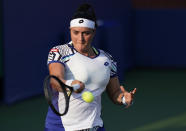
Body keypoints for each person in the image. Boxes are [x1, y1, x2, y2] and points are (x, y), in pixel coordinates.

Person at [45, 3, 136, 131]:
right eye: (75, 32)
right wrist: (71, 84)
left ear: (93, 32)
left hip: (95, 126)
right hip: (62, 127)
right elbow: (55, 81)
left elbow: (115, 92)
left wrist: (124, 99)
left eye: (85, 33)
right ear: (70, 30)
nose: (80, 38)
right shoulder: (59, 52)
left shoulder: (107, 59)